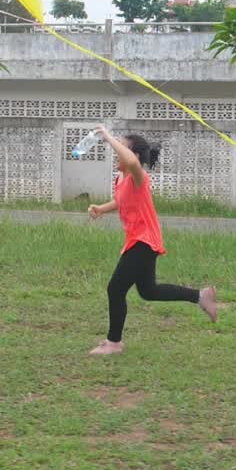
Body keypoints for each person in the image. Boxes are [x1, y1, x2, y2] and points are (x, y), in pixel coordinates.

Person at [87, 126, 217, 355]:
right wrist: (101, 209)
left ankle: (114, 343)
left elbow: (134, 164)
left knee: (115, 289)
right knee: (148, 291)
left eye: (122, 149)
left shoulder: (139, 177)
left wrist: (108, 137)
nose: (116, 153)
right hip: (138, 240)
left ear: (133, 156)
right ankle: (200, 296)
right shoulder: (122, 179)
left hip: (144, 241)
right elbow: (121, 201)